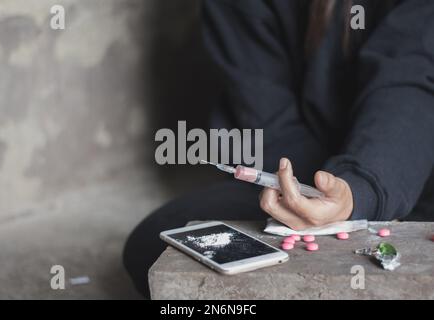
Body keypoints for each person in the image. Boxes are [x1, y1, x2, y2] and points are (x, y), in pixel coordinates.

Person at [124, 0, 434, 298]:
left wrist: (361, 190)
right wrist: (307, 198)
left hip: (403, 170)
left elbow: (412, 80)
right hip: (297, 178)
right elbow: (264, 114)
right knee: (158, 245)